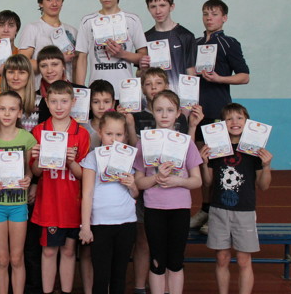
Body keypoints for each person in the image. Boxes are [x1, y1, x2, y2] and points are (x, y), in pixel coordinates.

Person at [133, 90, 202, 294]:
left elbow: (197, 180)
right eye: (159, 110)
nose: (164, 115)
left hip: (179, 208)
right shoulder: (144, 143)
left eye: (170, 110)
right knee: (157, 261)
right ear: (152, 111)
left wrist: (177, 181)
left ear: (178, 113)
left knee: (176, 261)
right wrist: (156, 178)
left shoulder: (186, 142)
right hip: (154, 209)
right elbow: (139, 183)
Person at [191, 0, 250, 232]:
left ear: (224, 18)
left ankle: (217, 213)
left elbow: (244, 76)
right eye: (205, 13)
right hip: (197, 113)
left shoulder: (229, 43)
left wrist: (219, 78)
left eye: (214, 14)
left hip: (218, 113)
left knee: (218, 166)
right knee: (202, 164)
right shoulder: (195, 43)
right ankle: (205, 209)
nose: (209, 18)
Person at [200, 103, 272, 294]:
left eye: (239, 118)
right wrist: (204, 163)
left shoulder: (254, 151)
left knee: (243, 260)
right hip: (219, 210)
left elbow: (264, 185)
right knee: (222, 258)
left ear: (247, 122)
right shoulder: (216, 148)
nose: (234, 122)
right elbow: (207, 182)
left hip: (244, 211)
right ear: (222, 123)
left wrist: (266, 166)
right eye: (229, 118)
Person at [30, 80, 90, 294]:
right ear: (46, 102)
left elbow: (83, 175)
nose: (59, 106)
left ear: (73, 102)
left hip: (72, 203)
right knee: (48, 252)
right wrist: (38, 159)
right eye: (54, 101)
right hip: (49, 203)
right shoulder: (39, 131)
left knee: (68, 251)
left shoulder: (81, 133)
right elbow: (36, 172)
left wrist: (71, 162)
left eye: (64, 101)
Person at [79, 112, 138, 294]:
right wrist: (86, 226)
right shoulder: (92, 158)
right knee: (101, 276)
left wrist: (132, 185)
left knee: (119, 275)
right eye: (109, 134)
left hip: (126, 222)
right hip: (100, 224)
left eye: (118, 134)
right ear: (100, 133)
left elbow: (135, 194)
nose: (113, 139)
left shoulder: (129, 158)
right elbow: (87, 193)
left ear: (125, 136)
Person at [0, 91, 35, 294]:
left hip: (18, 205)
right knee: (1, 259)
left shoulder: (27, 138)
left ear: (20, 113)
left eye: (12, 109)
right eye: (2, 109)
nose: (7, 113)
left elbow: (31, 170)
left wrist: (29, 178)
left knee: (16, 259)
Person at [75, 0, 147, 95]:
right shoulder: (88, 21)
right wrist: (80, 91)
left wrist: (122, 54)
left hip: (126, 90)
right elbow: (82, 58)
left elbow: (143, 57)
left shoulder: (132, 20)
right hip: (98, 92)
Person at [138, 0, 197, 92]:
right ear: (148, 9)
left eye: (162, 5)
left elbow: (191, 73)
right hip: (153, 97)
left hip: (178, 97)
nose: (158, 11)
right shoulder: (144, 38)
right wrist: (142, 69)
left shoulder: (186, 36)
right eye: (153, 7)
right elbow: (139, 75)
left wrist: (190, 98)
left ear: (172, 7)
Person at [17, 0, 77, 84]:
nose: (54, 3)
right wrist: (58, 59)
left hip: (67, 90)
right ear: (40, 3)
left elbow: (76, 66)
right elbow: (22, 63)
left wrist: (78, 87)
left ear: (62, 2)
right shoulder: (32, 28)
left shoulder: (72, 31)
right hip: (40, 90)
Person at [0, 54, 42, 132]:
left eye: (21, 73)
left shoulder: (40, 102)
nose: (15, 77)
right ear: (5, 75)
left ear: (29, 75)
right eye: (11, 72)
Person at [36, 45, 85, 123]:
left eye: (54, 64)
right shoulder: (33, 98)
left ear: (63, 66)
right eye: (44, 66)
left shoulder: (82, 93)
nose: (49, 70)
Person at [82, 79, 116, 151]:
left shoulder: (119, 126)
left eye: (106, 102)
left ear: (113, 104)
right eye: (96, 102)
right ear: (89, 104)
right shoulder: (82, 127)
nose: (101, 107)